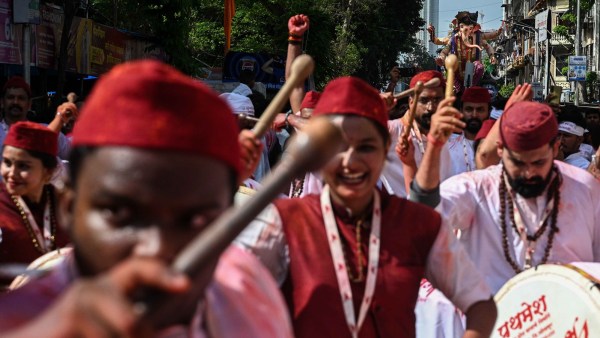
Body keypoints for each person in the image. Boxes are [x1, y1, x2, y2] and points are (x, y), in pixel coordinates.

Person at [0, 60, 293, 337]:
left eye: (193, 220)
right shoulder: (21, 317)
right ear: (69, 209)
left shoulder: (247, 296)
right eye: (120, 213)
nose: (155, 251)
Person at [237, 76, 497, 338]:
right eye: (338, 146)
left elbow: (481, 305)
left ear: (385, 149)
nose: (351, 161)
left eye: (365, 147)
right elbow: (226, 297)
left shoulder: (419, 225)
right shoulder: (285, 222)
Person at [411, 100, 600, 293]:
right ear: (500, 149)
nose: (528, 173)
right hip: (489, 317)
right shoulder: (476, 188)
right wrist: (434, 148)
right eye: (517, 163)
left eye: (538, 162)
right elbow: (419, 221)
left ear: (555, 148)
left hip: (568, 318)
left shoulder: (585, 188)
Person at [0, 122, 70, 288]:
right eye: (7, 163)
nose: (12, 173)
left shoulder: (65, 204)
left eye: (23, 166)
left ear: (48, 172)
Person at [382, 70, 454, 197]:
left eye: (437, 99)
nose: (431, 107)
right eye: (424, 100)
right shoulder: (391, 132)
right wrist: (373, 107)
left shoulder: (450, 137)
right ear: (411, 101)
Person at [0, 77, 71, 159]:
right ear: (2, 102)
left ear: (29, 104)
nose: (15, 102)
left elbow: (75, 159)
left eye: (21, 98)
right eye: (11, 97)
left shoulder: (46, 131)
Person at [447, 86, 490, 174]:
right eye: (469, 109)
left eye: (480, 110)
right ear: (461, 111)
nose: (474, 115)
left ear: (489, 112)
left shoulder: (498, 149)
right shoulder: (448, 149)